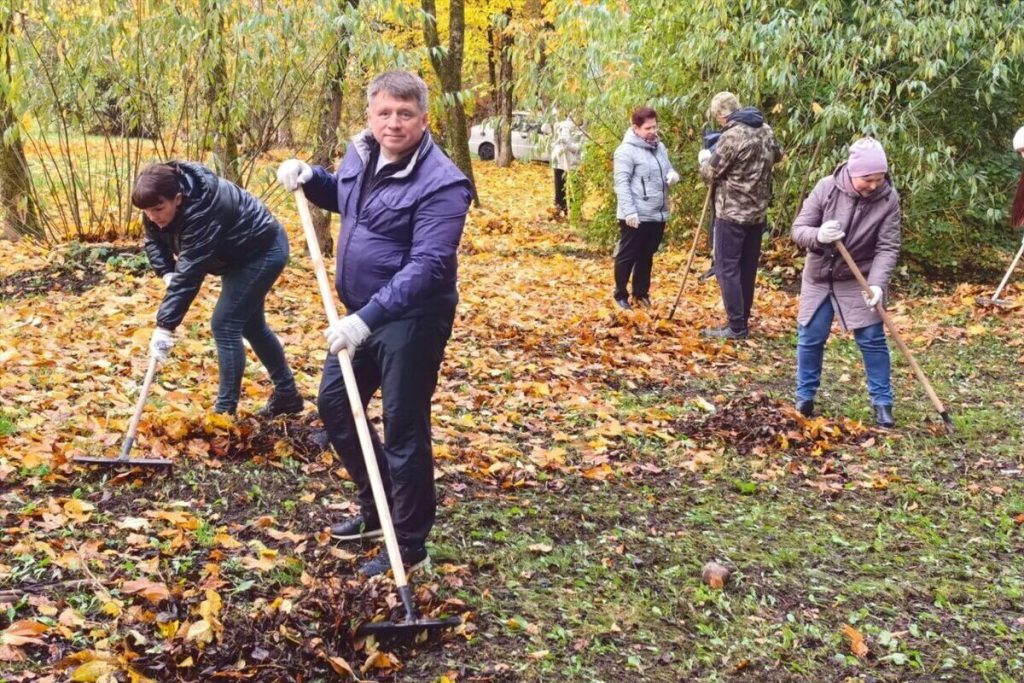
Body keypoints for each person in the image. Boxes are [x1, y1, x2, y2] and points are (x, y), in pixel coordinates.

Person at [276, 70, 472, 578]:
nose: (393, 123)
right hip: (362, 315)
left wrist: (365, 320)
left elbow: (428, 265)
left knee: (404, 428)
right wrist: (310, 177)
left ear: (423, 119)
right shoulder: (360, 153)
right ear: (370, 115)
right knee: (336, 406)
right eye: (384, 112)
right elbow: (350, 199)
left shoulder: (443, 183)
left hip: (411, 319)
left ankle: (409, 545)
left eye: (405, 114)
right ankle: (377, 509)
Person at [134, 162, 304, 417]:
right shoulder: (157, 198)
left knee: (225, 324)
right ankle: (287, 395)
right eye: (146, 211)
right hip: (235, 257)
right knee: (251, 326)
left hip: (263, 251)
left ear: (178, 199)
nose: (152, 216)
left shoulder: (204, 209)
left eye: (158, 209)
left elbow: (192, 269)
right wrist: (167, 272)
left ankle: (224, 413)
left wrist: (165, 326)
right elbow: (153, 238)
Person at [790, 137, 901, 428]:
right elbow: (799, 230)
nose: (874, 185)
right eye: (868, 179)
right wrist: (818, 236)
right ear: (853, 173)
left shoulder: (888, 199)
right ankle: (804, 399)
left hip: (859, 278)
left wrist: (877, 284)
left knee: (872, 339)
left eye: (879, 178)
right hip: (819, 277)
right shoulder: (826, 188)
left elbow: (887, 246)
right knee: (810, 337)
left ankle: (882, 403)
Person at [698, 91, 783, 339]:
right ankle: (742, 319)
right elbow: (778, 155)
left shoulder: (732, 135)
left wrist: (704, 160)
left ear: (721, 115)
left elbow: (712, 173)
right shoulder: (765, 129)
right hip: (758, 212)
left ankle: (736, 326)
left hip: (732, 213)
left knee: (726, 268)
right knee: (747, 267)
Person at [612, 106, 680, 309]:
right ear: (636, 128)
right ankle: (620, 295)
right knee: (628, 254)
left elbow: (666, 169)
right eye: (648, 128)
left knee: (646, 255)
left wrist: (673, 176)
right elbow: (621, 183)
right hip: (635, 214)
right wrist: (629, 211)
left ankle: (641, 293)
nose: (652, 131)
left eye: (655, 127)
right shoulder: (625, 151)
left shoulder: (660, 147)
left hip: (657, 213)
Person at [551, 115, 583, 214]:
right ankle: (561, 208)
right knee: (560, 185)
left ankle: (575, 212)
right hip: (560, 160)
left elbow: (581, 147)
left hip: (575, 163)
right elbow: (556, 140)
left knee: (575, 186)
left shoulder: (583, 130)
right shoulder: (564, 126)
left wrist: (569, 145)